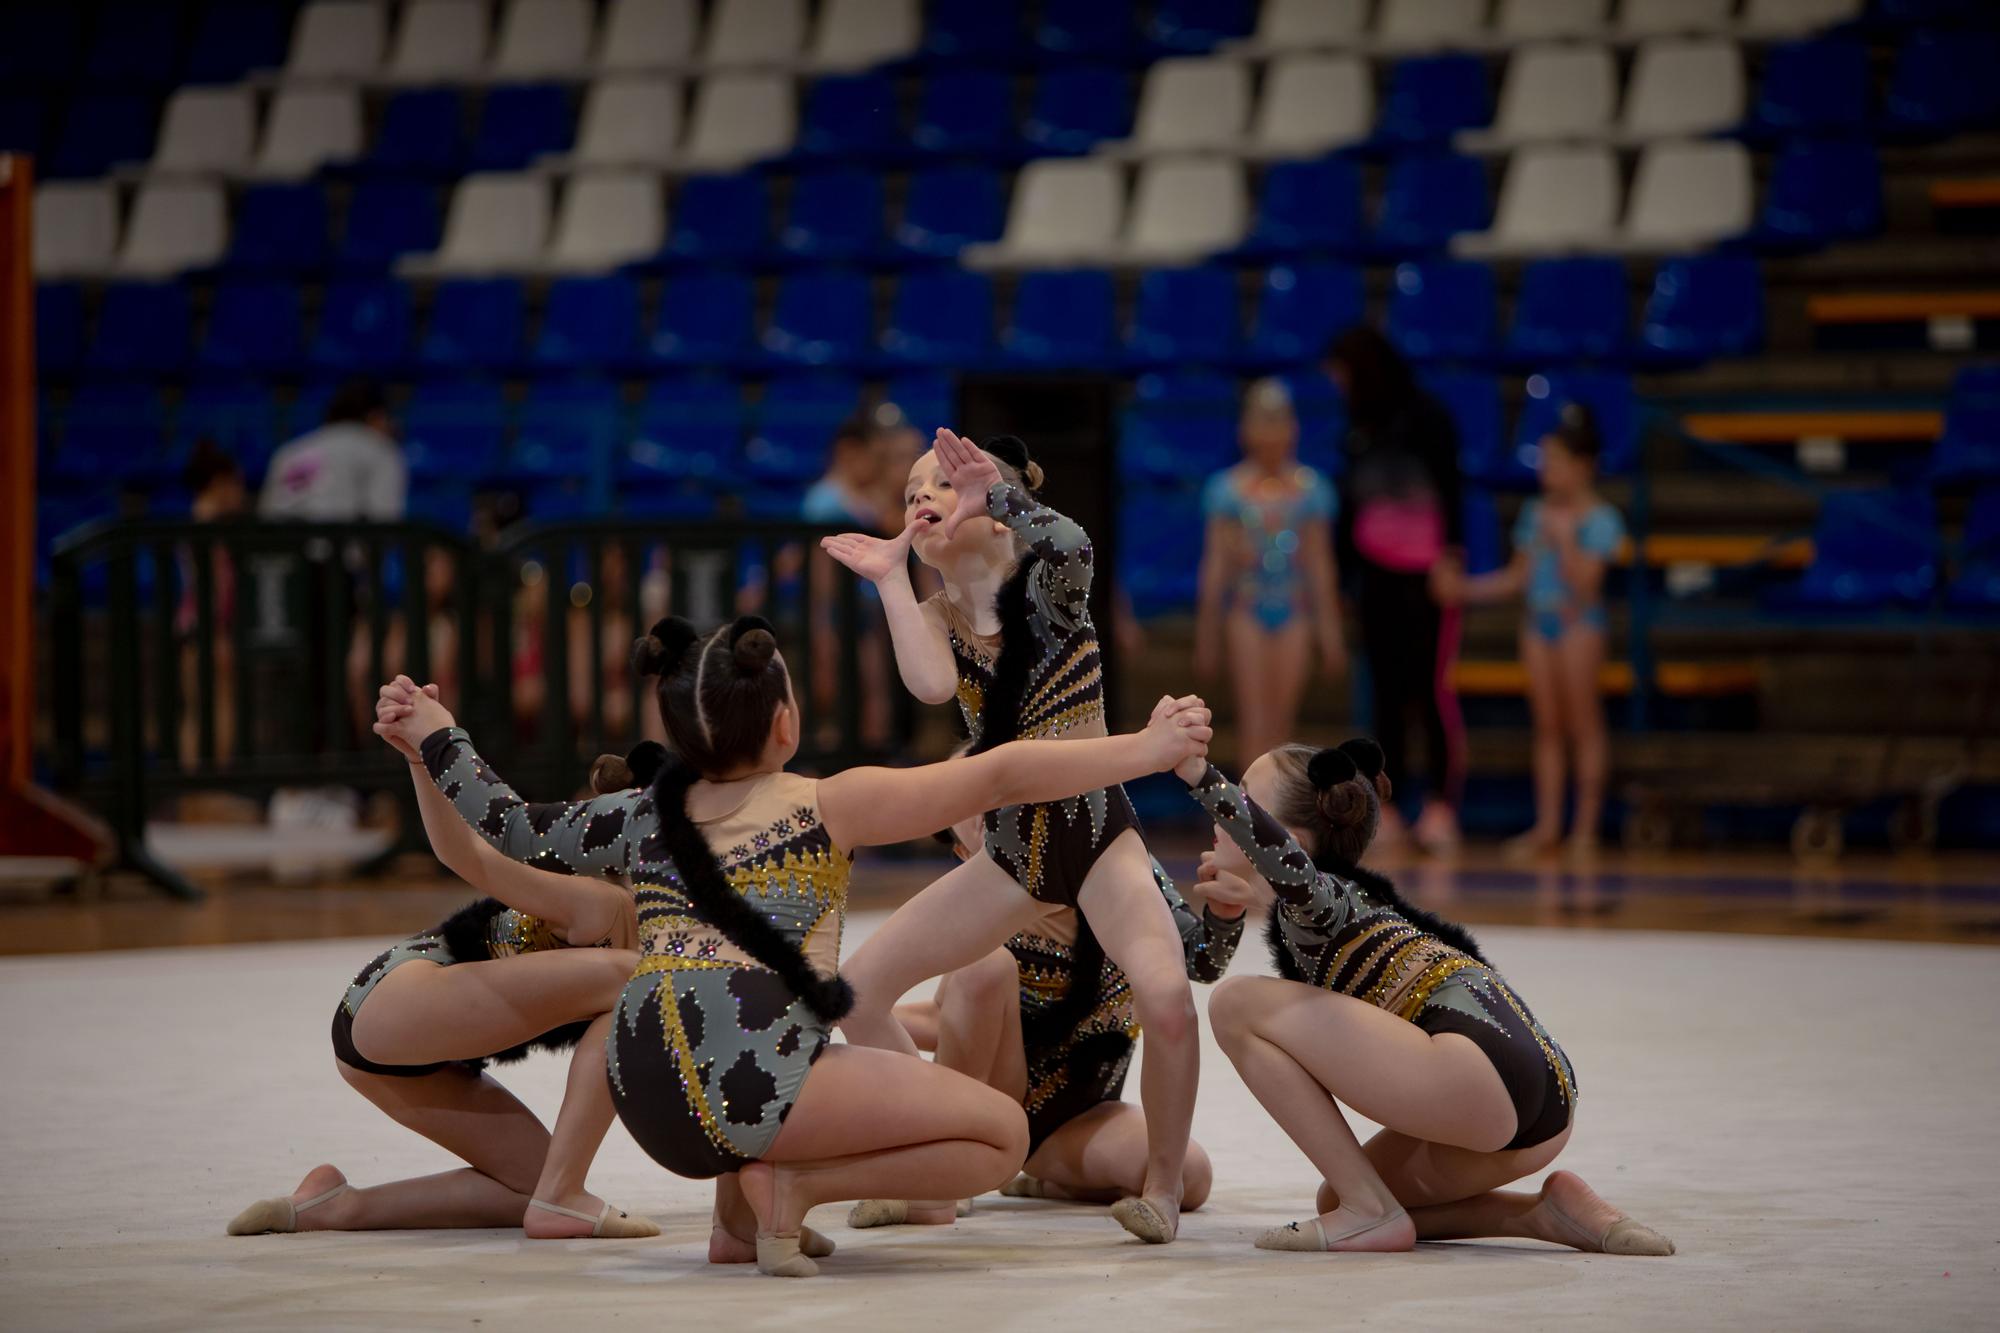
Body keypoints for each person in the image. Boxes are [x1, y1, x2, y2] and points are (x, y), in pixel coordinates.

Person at [373, 616, 1214, 1277]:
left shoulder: (634, 815)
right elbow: (999, 777)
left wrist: (437, 738)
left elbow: (505, 825)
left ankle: (736, 1229)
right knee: (996, 1137)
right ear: (784, 723)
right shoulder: (826, 803)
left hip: (639, 1084)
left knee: (727, 1024)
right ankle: (792, 1188)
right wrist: (1145, 750)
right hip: (745, 1072)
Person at [821, 429, 1206, 1246]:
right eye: (908, 495)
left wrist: (999, 493)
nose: (919, 499)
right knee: (857, 990)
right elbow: (928, 683)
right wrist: (891, 579)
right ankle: (933, 1175)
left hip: (1099, 838)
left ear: (997, 517)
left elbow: (1073, 538)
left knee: (1168, 998)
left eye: (939, 486)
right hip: (1012, 855)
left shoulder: (1049, 586)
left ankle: (1164, 1189)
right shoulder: (940, 612)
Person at [1174, 735, 1674, 1257]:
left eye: (1242, 797)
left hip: (1478, 1075)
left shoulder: (1324, 899)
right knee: (1338, 1194)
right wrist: (1229, 913)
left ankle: (1369, 1212)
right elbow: (1204, 964)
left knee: (1236, 1005)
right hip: (1544, 1103)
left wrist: (1198, 775)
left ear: (1287, 841)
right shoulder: (1330, 906)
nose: (1227, 801)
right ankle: (1538, 1214)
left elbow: (1288, 880)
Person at [226, 732, 658, 1241]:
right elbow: (464, 855)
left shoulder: (639, 923)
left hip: (404, 1055)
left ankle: (335, 1207)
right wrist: (422, 755)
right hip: (399, 1000)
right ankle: (564, 1197)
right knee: (640, 979)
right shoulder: (600, 902)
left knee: (530, 1186)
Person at [881, 813, 1243, 1215]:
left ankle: (1052, 1184)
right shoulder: (979, 909)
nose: (983, 809)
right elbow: (942, 1018)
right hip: (1001, 1099)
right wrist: (850, 1016)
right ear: (966, 854)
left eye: (991, 794)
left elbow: (1200, 961)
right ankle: (947, 1167)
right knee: (985, 966)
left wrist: (1225, 915)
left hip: (1079, 1117)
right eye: (968, 804)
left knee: (1191, 1176)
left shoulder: (1119, 867)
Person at [1433, 406, 1624, 860]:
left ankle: (1585, 826)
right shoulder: (1535, 514)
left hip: (1578, 624)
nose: (1547, 471)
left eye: (1556, 461)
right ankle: (1549, 824)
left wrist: (1565, 540)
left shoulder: (1599, 519)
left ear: (1583, 466)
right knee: (1547, 726)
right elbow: (1517, 577)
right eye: (1544, 461)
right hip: (1539, 625)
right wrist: (1465, 589)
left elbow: (1587, 584)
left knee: (1583, 722)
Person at [1325, 328, 1465, 854]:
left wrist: (1451, 556)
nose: (1336, 384)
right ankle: (1394, 804)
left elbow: (1452, 491)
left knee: (1428, 690)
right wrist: (1343, 579)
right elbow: (1348, 509)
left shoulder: (1429, 418)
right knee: (1385, 695)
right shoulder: (1358, 425)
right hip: (1376, 577)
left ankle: (1441, 805)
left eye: (1341, 373)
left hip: (1426, 575)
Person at [1196, 378, 1346, 769]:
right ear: (1246, 431)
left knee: (1282, 724)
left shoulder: (1311, 490)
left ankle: (1276, 816)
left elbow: (1320, 565)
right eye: (1262, 423)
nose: (1271, 435)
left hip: (1293, 610)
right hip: (1247, 609)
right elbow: (1216, 566)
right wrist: (1207, 633)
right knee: (1254, 720)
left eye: (1279, 423)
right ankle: (1250, 817)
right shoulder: (1228, 490)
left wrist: (1330, 632)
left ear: (1293, 429)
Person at [259, 379, 405, 523]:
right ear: (376, 416)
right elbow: (384, 521)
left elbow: (267, 519)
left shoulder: (289, 451)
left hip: (279, 545)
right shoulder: (381, 449)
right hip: (341, 544)